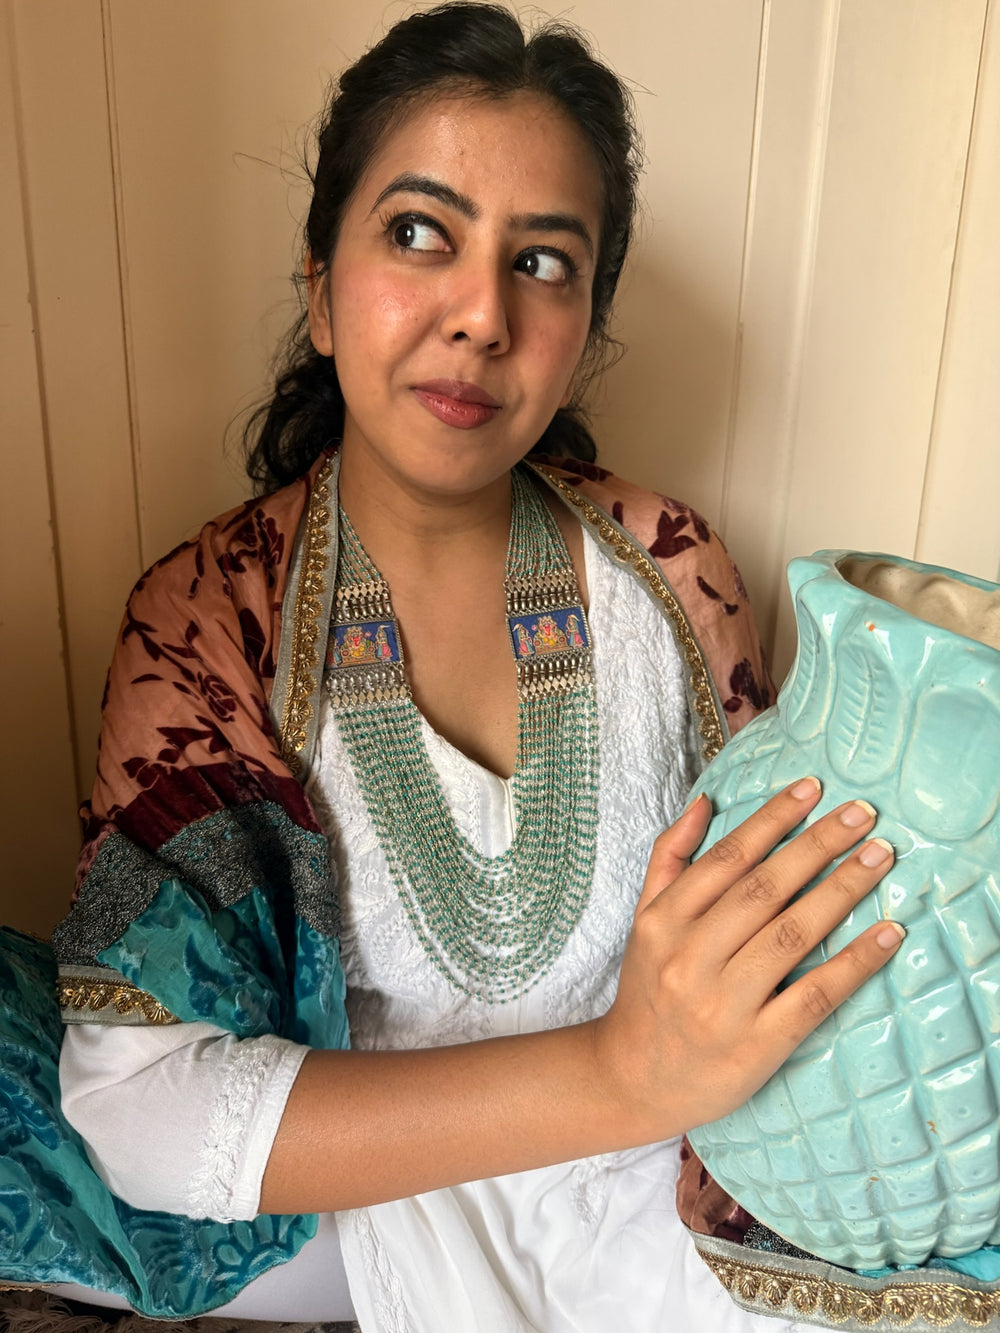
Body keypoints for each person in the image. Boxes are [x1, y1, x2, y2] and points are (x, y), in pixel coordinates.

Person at [0, 5, 906, 1330]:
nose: (481, 314)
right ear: (321, 287)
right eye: (420, 232)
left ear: (586, 325)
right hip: (363, 1202)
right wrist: (616, 1072)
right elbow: (141, 1103)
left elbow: (760, 939)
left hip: (644, 1194)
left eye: (543, 262)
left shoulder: (670, 570)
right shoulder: (211, 613)